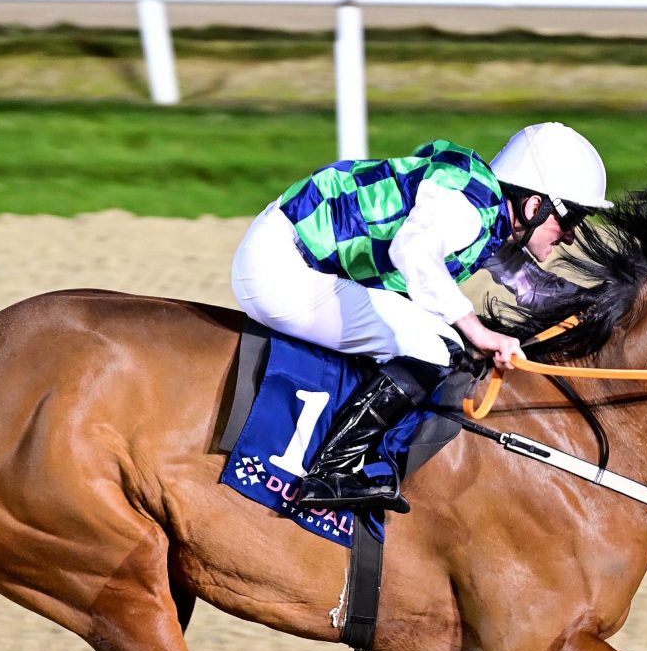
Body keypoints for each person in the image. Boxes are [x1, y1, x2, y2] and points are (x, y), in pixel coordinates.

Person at [230, 121, 608, 512]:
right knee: (434, 349)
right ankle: (331, 474)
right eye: (571, 221)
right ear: (534, 207)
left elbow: (526, 282)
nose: (568, 237)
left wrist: (604, 303)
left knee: (442, 339)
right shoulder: (465, 210)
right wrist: (479, 331)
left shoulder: (485, 205)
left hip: (290, 249)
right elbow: (412, 254)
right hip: (281, 271)